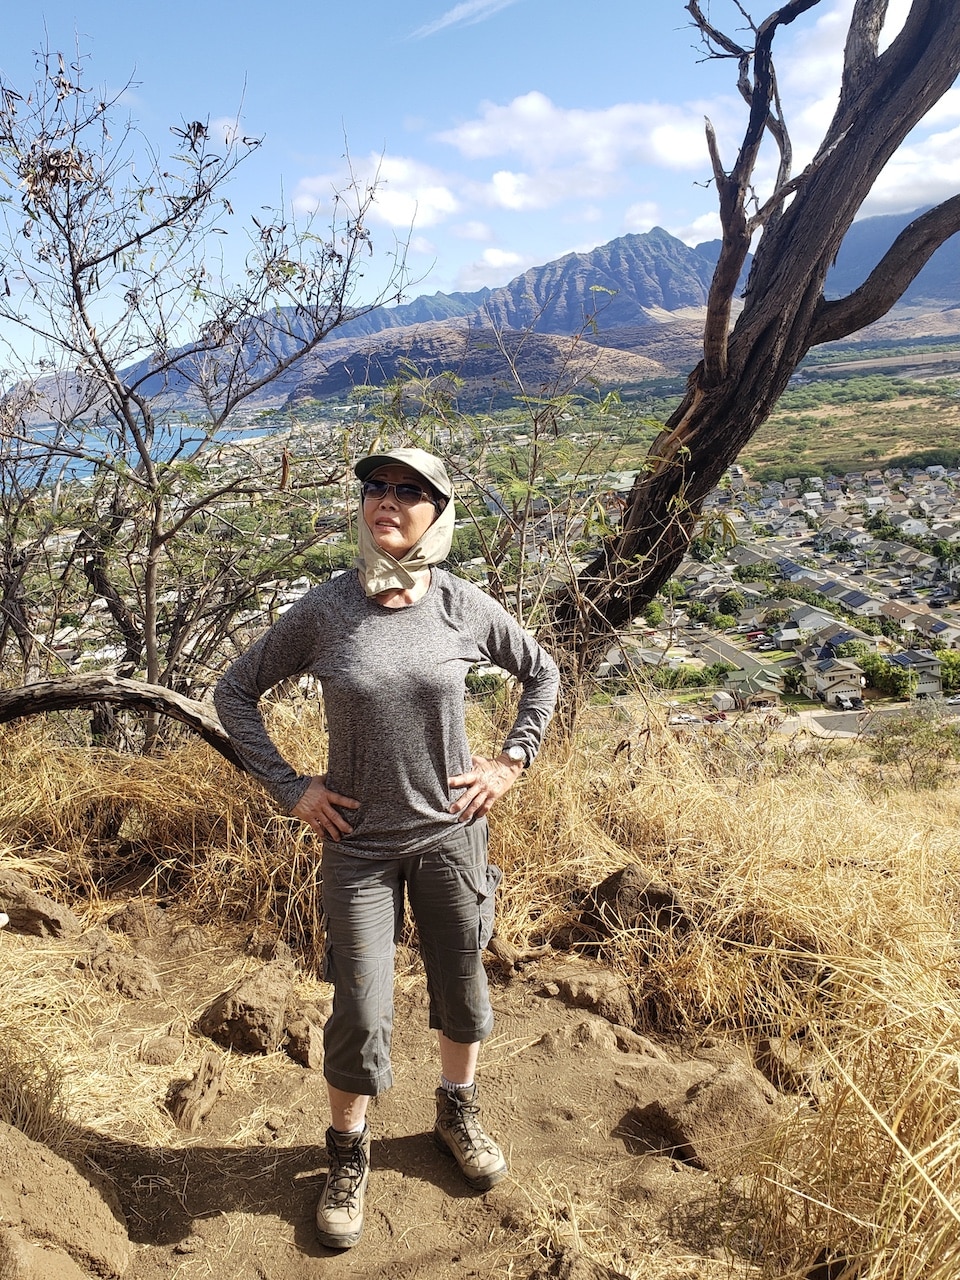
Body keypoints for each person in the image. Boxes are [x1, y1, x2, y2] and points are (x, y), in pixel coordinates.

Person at [214, 447, 559, 1250]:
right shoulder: (328, 610)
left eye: (410, 491)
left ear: (437, 513)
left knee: (463, 988)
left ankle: (456, 1115)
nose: (388, 501)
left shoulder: (462, 605)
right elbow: (235, 692)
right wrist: (290, 787)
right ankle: (347, 1155)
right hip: (358, 847)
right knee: (361, 1008)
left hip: (450, 836)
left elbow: (542, 673)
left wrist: (511, 763)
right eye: (377, 488)